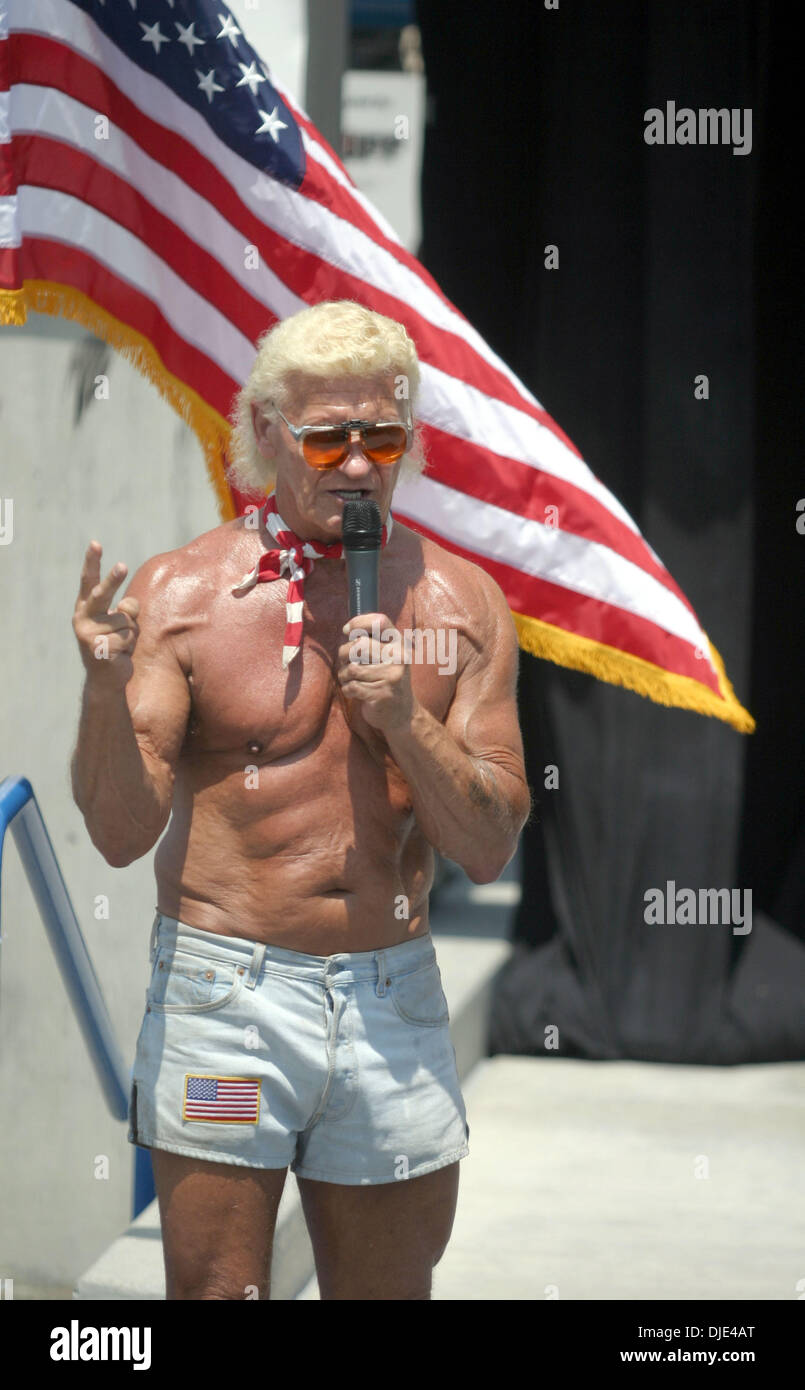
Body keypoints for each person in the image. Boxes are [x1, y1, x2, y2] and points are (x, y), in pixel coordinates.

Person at [70, 300, 530, 1301]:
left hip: (390, 1002)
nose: (359, 465)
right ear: (270, 432)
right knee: (219, 1294)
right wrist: (104, 695)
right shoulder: (183, 594)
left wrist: (407, 721)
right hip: (227, 1005)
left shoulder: (461, 603)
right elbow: (116, 832)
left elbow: (491, 845)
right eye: (329, 439)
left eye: (383, 437)